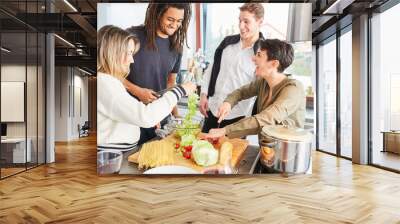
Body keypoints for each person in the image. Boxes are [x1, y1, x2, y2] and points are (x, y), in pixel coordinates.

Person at [97, 25, 196, 150]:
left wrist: (151, 116)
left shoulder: (109, 82)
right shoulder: (106, 83)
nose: (131, 60)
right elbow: (145, 117)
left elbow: (125, 114)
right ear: (112, 52)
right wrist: (180, 90)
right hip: (111, 155)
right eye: (128, 53)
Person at [202, 39, 305, 141]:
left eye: (259, 55)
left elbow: (266, 118)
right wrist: (228, 103)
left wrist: (225, 130)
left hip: (287, 154)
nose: (253, 58)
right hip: (266, 150)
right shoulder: (263, 82)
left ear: (274, 64)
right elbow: (241, 92)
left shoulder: (293, 89)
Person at [124, 3, 192, 144]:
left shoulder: (177, 47)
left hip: (160, 118)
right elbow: (111, 74)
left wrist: (176, 114)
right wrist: (137, 92)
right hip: (133, 117)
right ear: (157, 14)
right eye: (170, 20)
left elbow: (170, 83)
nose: (175, 25)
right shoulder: (132, 36)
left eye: (179, 21)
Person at [200, 3, 265, 133]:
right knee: (202, 149)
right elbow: (211, 70)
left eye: (246, 21)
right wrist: (203, 94)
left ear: (260, 22)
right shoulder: (227, 43)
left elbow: (259, 88)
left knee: (231, 153)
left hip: (237, 118)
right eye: (239, 21)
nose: (241, 26)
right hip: (212, 110)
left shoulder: (263, 53)